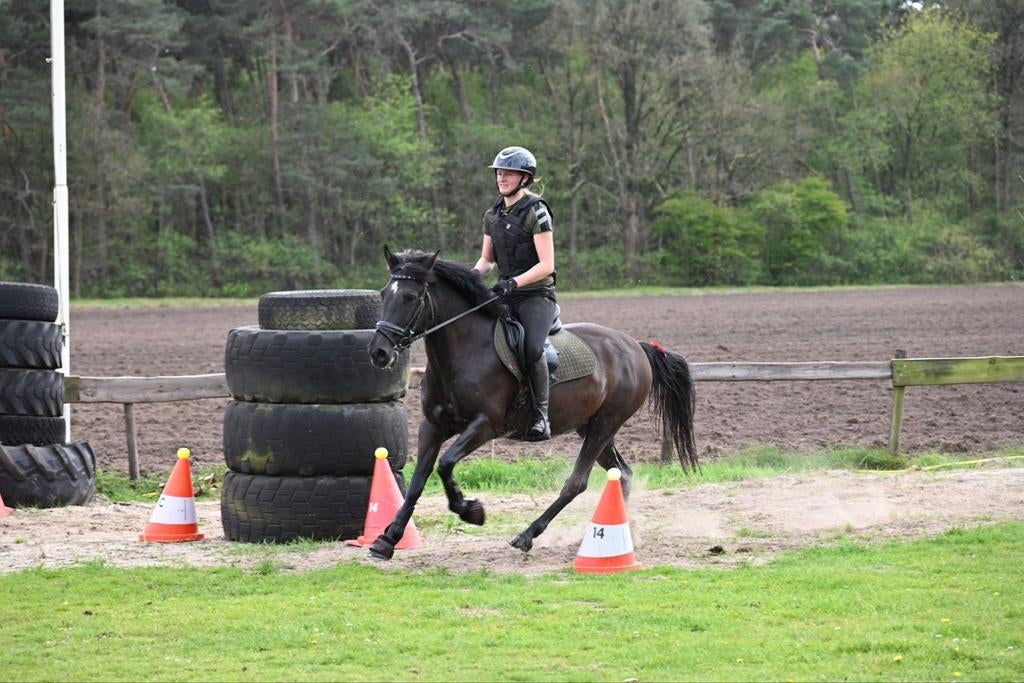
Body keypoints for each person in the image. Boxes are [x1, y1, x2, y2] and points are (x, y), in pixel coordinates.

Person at [472, 146, 556, 441]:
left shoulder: (537, 211)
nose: (502, 177)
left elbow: (547, 265)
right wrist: (469, 278)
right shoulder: (492, 214)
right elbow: (487, 260)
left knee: (532, 348)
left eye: (509, 173)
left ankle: (541, 415)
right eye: (499, 173)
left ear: (525, 178)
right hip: (505, 293)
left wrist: (514, 283)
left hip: (536, 295)